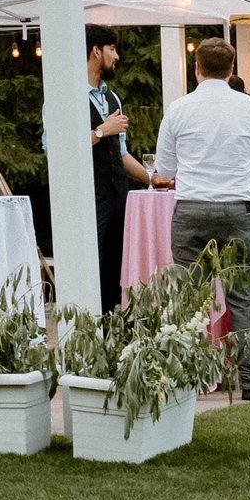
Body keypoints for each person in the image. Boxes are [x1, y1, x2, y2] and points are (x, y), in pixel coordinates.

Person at [153, 38, 250, 399]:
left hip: (192, 211)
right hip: (238, 211)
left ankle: (186, 379)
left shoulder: (178, 109)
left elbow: (164, 168)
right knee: (243, 300)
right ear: (231, 68)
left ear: (196, 67)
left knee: (189, 300)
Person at [85, 25, 156, 312]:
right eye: (112, 49)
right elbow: (59, 148)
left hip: (118, 197)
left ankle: (114, 331)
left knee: (117, 267)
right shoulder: (65, 95)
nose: (117, 56)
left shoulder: (112, 98)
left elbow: (122, 153)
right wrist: (102, 130)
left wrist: (154, 178)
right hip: (89, 198)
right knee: (93, 264)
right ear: (96, 51)